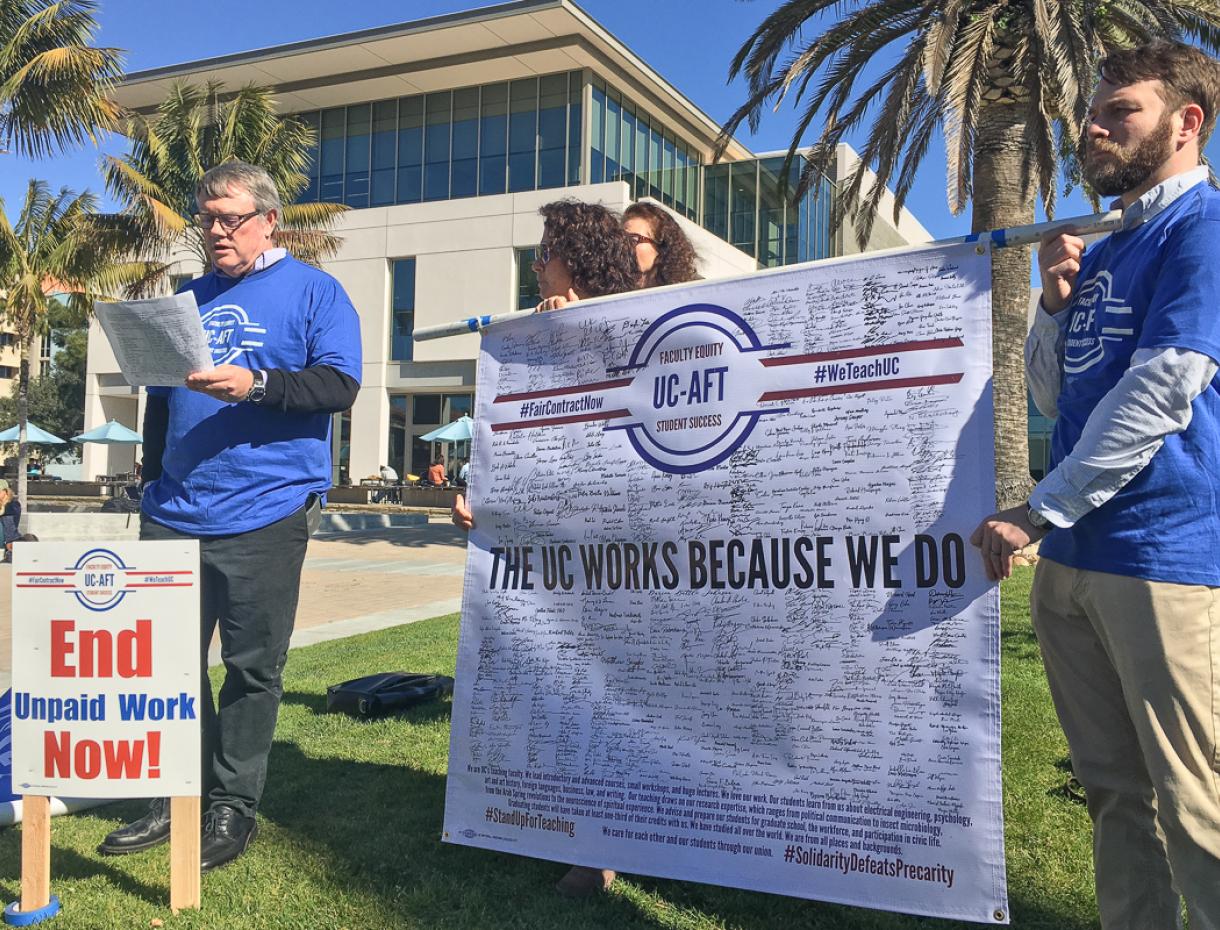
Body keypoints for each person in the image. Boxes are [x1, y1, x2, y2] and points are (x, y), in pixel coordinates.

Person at [970, 40, 1220, 929]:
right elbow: (1053, 392)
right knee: (1115, 797)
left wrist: (1038, 509)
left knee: (1196, 804)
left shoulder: (1202, 229)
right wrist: (1053, 303)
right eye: (1094, 110)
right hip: (1075, 561)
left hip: (1159, 558)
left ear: (1188, 123)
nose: (1094, 127)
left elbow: (1163, 389)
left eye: (1123, 111)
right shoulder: (1109, 240)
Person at [98, 161, 362, 871]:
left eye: (231, 219)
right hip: (174, 510)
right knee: (163, 664)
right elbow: (161, 396)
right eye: (207, 219)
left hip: (265, 511)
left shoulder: (316, 292)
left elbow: (339, 384)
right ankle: (170, 793)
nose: (215, 231)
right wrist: (151, 481)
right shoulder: (187, 297)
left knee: (250, 669)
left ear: (268, 221)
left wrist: (258, 384)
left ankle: (230, 806)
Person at [622, 201, 699, 289]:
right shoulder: (610, 295)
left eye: (633, 239)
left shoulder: (691, 293)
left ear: (661, 248)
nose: (624, 245)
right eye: (622, 239)